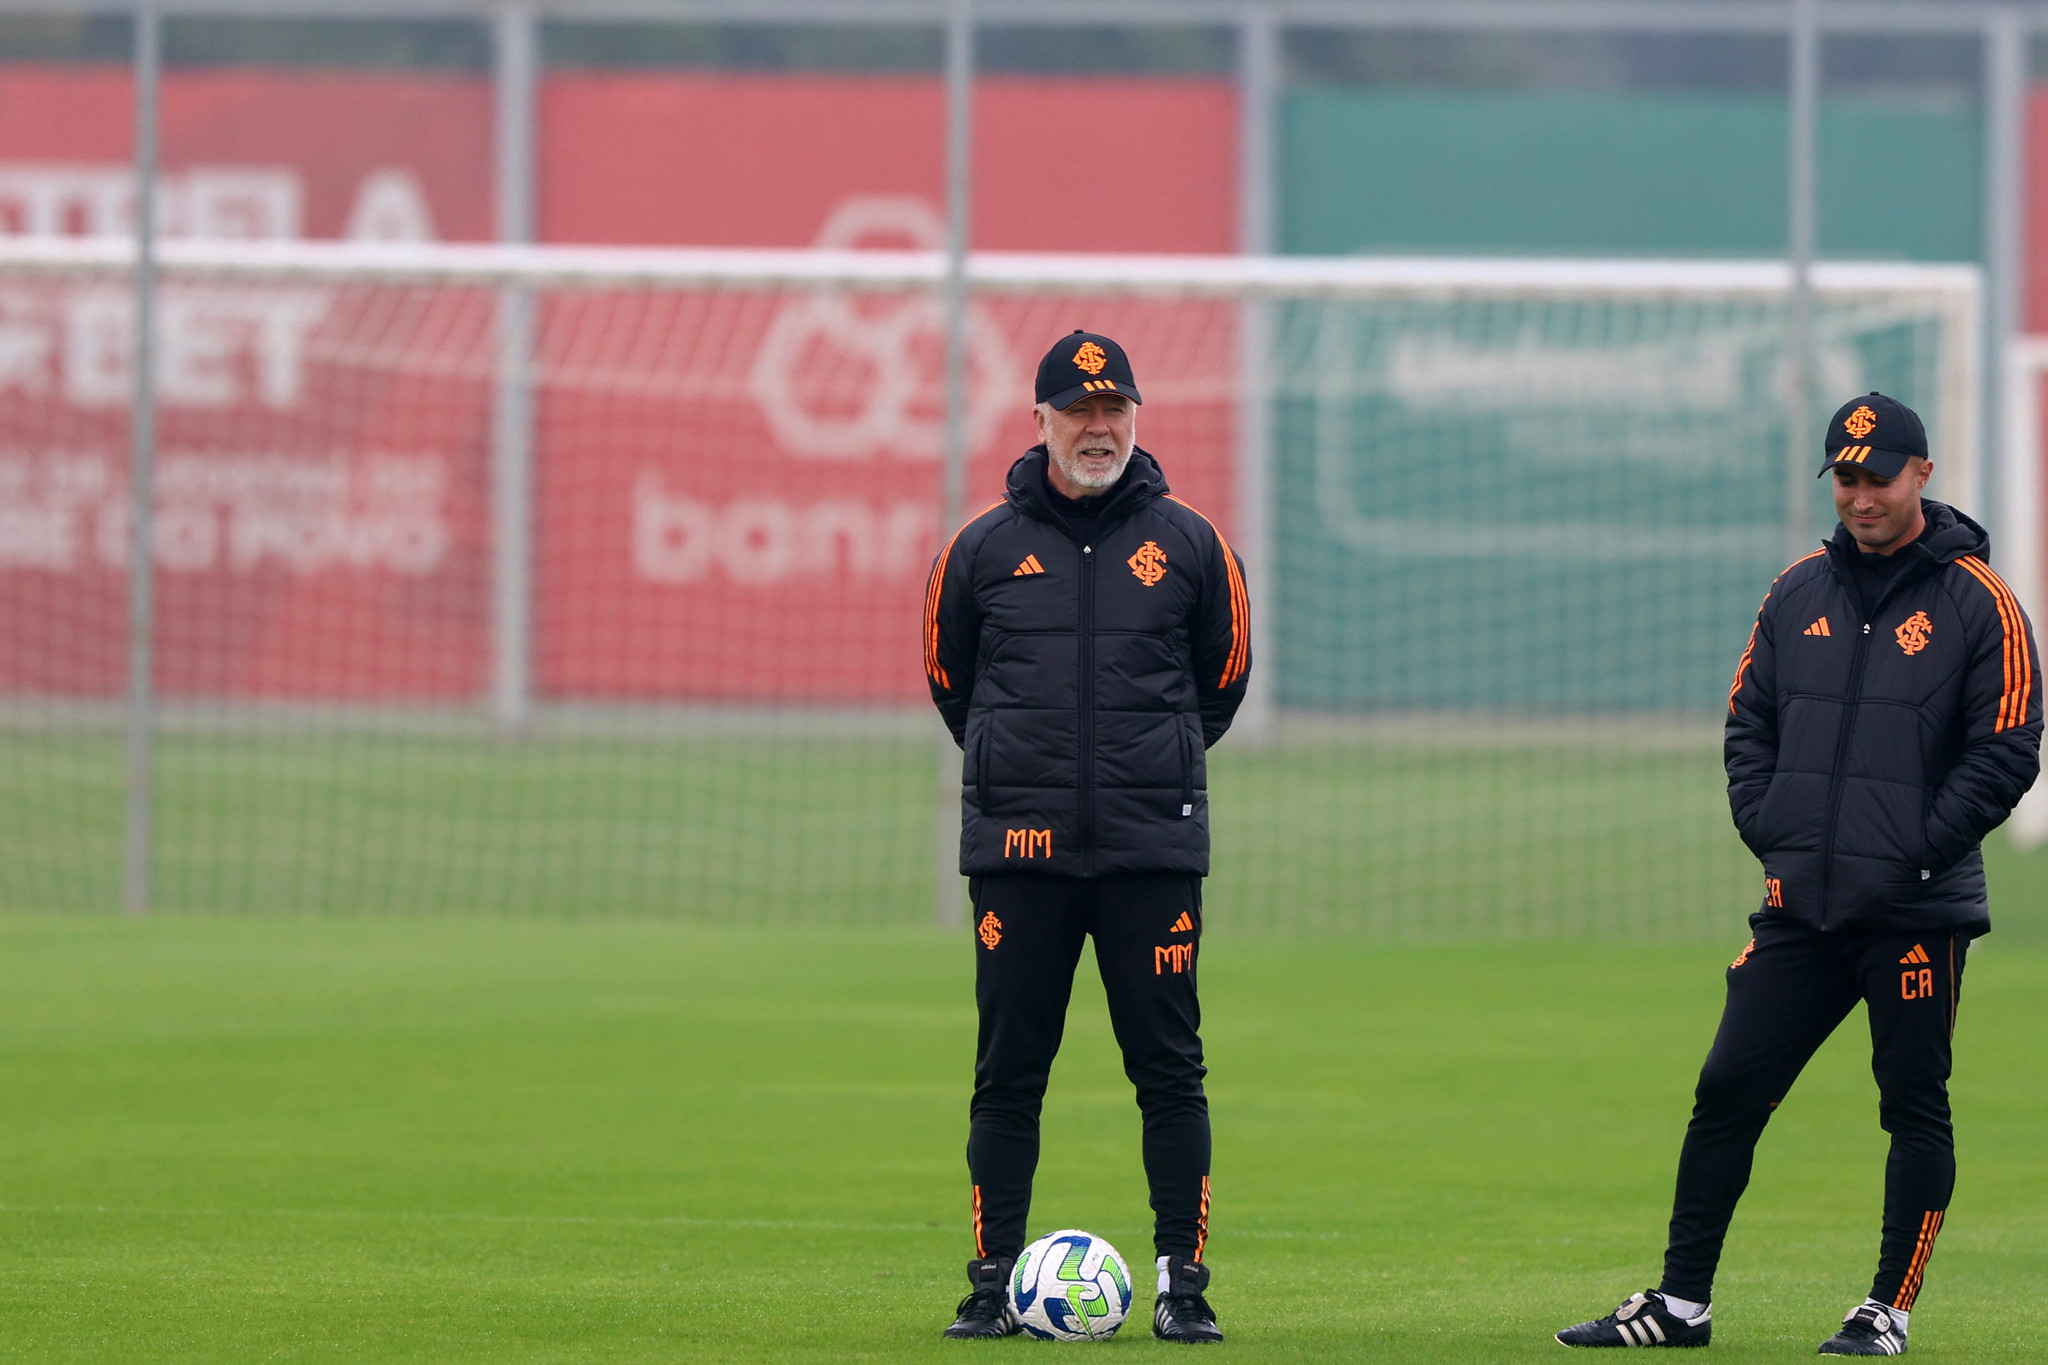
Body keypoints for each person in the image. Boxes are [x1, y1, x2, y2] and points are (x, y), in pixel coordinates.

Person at [1556, 392, 2040, 1355]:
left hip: (1914, 911)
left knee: (1912, 1104)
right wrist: (1773, 830)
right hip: (1799, 907)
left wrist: (1917, 848)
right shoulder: (1796, 592)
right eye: (1847, 478)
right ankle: (1681, 1303)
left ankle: (1886, 1308)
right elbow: (1750, 724)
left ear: (1922, 477)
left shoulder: (1979, 601)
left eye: (1879, 476)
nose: (1861, 497)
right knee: (1727, 1085)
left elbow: (2009, 745)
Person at [923, 330, 1251, 1343]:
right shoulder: (977, 549)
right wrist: (1024, 782)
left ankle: (1181, 1286)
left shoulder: (1191, 544)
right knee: (1008, 1073)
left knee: (1168, 1072)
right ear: (1041, 422)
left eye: (1113, 411)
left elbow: (1222, 680)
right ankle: (988, 1285)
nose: (1096, 428)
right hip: (1019, 860)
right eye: (1077, 411)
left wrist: (1144, 782)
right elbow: (951, 683)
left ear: (1134, 418)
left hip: (1151, 857)